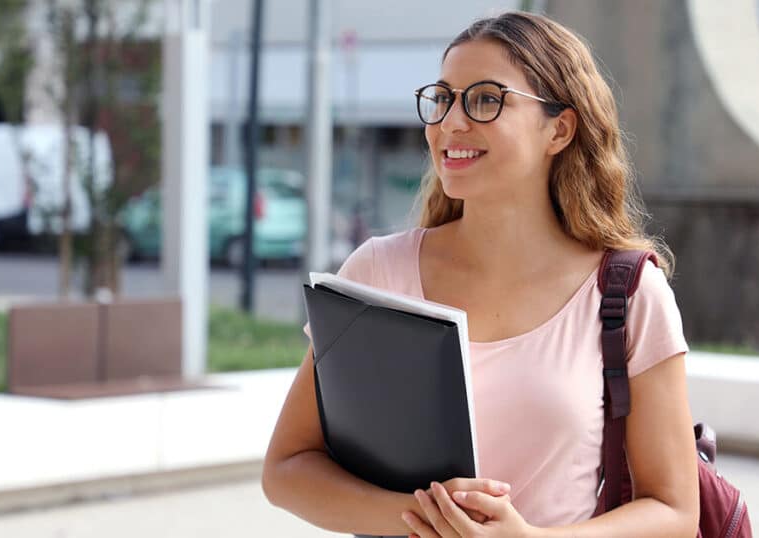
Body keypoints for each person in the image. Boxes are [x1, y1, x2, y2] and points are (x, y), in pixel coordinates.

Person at [262, 11, 699, 538]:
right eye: (443, 98)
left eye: (486, 99)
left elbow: (675, 511)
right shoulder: (378, 270)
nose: (450, 123)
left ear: (558, 129)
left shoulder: (629, 294)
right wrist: (427, 518)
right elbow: (287, 467)